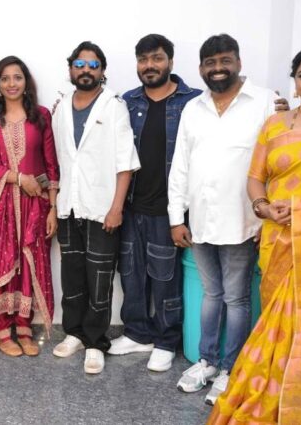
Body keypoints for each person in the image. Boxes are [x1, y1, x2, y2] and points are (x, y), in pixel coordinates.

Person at [208, 42, 301, 424]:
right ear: (294, 82)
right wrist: (263, 208)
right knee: (279, 324)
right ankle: (272, 395)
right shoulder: (275, 125)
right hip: (279, 240)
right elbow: (255, 178)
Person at [168, 34, 279, 404]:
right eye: (210, 63)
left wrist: (266, 220)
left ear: (238, 62)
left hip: (244, 222)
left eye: (225, 61)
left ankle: (231, 370)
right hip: (201, 221)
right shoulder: (193, 108)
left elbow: (278, 164)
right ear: (201, 68)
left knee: (236, 298)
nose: (218, 69)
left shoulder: (266, 102)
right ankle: (208, 362)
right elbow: (180, 166)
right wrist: (176, 218)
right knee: (212, 295)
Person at [108, 34, 201, 372]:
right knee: (130, 275)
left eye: (157, 58)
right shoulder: (127, 101)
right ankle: (137, 333)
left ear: (170, 61)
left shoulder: (194, 101)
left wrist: (273, 105)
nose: (150, 65)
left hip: (168, 209)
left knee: (164, 278)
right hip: (132, 205)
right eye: (143, 59)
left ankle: (165, 340)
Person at [51, 41, 140, 374]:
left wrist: (117, 208)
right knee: (72, 275)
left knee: (100, 278)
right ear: (70, 68)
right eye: (79, 64)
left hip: (103, 208)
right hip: (69, 207)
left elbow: (125, 163)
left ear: (102, 70)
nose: (86, 70)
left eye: (93, 65)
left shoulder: (114, 107)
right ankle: (74, 333)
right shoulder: (61, 108)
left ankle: (95, 342)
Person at [0, 56, 59, 357]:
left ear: (26, 82)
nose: (12, 83)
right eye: (5, 78)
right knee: (3, 262)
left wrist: (53, 208)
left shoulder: (41, 116)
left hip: (36, 204)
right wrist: (19, 178)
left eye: (17, 77)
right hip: (0, 205)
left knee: (29, 261)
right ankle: (2, 330)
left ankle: (24, 327)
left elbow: (51, 165)